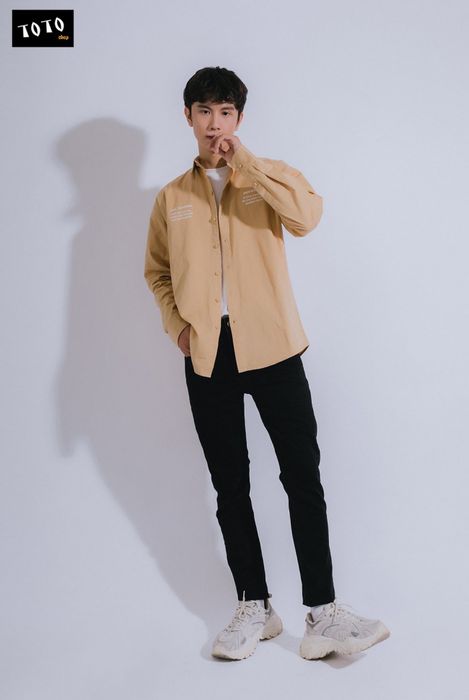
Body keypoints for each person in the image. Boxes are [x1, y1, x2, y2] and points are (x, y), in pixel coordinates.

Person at [144, 66, 390, 661]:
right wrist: (179, 327)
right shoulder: (172, 198)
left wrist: (247, 163)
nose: (215, 124)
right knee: (230, 485)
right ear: (187, 117)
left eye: (225, 112)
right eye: (204, 111)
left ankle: (323, 613)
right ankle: (254, 606)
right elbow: (158, 271)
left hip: (274, 348)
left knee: (302, 476)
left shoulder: (267, 177)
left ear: (239, 118)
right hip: (209, 356)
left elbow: (307, 216)